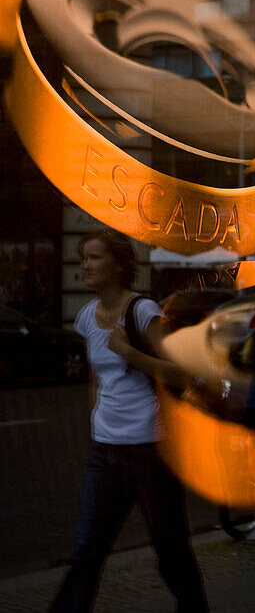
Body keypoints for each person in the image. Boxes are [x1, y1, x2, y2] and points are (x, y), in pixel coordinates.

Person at [52, 230, 207, 612]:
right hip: (105, 452)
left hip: (150, 452)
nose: (85, 265)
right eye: (83, 258)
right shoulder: (87, 316)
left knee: (170, 552)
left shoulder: (143, 312)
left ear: (119, 265)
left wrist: (127, 352)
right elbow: (97, 379)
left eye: (95, 257)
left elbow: (179, 374)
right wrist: (98, 420)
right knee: (86, 553)